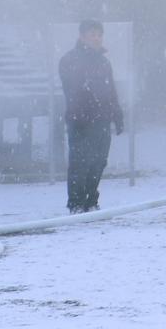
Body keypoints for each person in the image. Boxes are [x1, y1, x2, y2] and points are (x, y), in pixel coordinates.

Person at [57, 20, 124, 213]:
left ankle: (91, 199)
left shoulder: (104, 62)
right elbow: (72, 89)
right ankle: (76, 202)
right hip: (80, 120)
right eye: (92, 34)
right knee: (80, 161)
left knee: (99, 161)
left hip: (101, 120)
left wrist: (117, 114)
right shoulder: (69, 60)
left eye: (99, 34)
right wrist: (89, 100)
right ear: (82, 37)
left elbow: (111, 90)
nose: (96, 38)